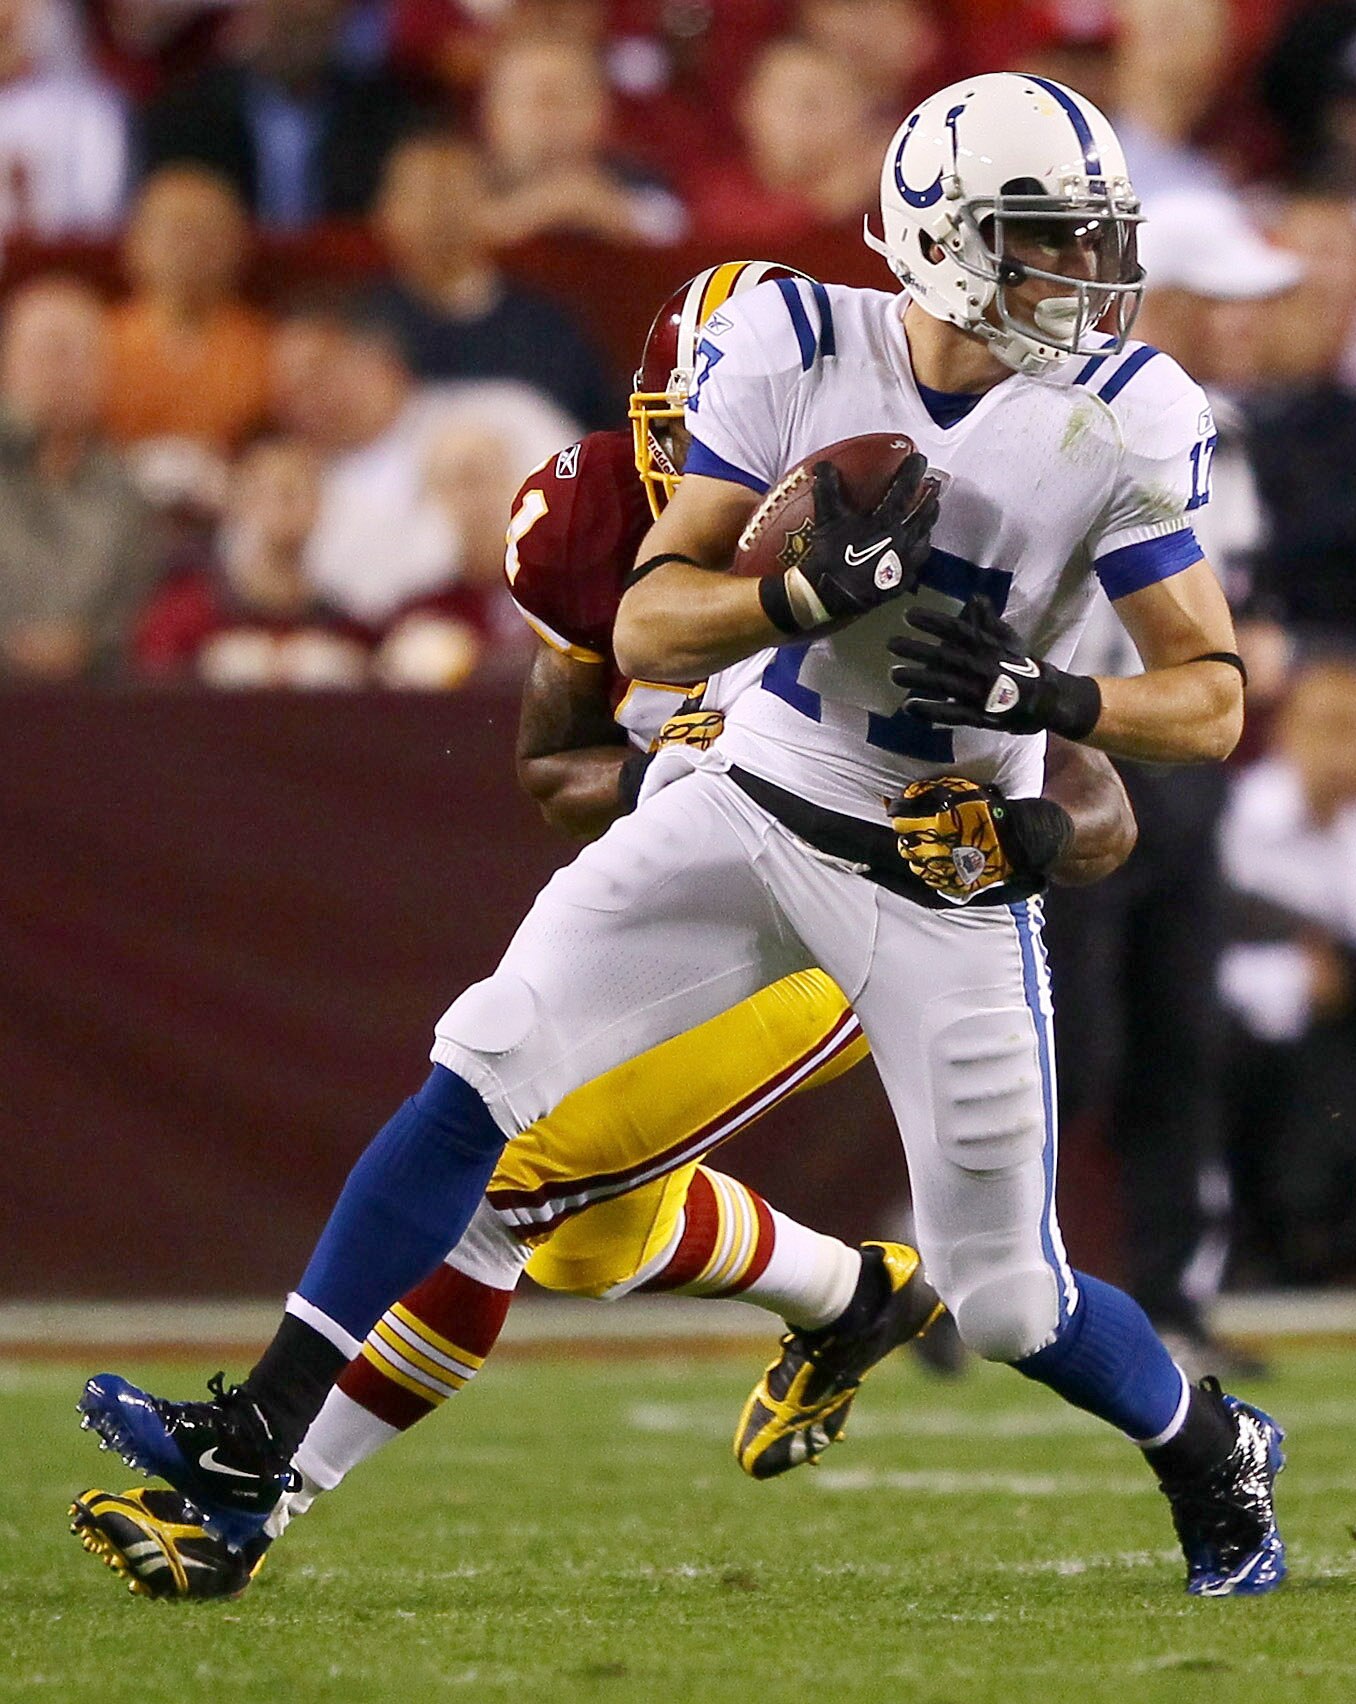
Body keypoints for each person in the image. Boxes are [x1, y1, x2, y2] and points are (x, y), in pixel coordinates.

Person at [78, 73, 1285, 1600]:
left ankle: (1209, 1452)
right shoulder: (794, 339)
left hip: (924, 876)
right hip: (747, 800)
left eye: (1089, 236)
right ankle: (253, 1444)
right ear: (944, 238)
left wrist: (1051, 699)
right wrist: (796, 599)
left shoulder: (1125, 409)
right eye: (1045, 238)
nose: (1084, 272)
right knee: (486, 1059)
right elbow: (652, 612)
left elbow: (1213, 702)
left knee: (1006, 1300)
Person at [366, 131, 622, 432]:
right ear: (384, 214)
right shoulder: (364, 332)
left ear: (490, 207)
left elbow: (602, 436)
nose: (438, 215)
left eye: (453, 195)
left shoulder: (546, 330)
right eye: (419, 197)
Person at [136, 0, 432, 226]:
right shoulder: (185, 114)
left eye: (311, 17)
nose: (297, 30)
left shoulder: (386, 114)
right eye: (284, 14)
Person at [0, 277, 152, 681]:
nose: (65, 372)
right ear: (7, 363)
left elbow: (140, 604)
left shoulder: (128, 494)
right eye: (50, 352)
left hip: (90, 705)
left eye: (82, 355)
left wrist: (87, 645)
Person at [104, 166, 272, 454]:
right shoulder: (101, 344)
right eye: (176, 232)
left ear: (239, 247)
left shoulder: (265, 349)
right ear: (134, 245)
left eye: (206, 234)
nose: (190, 249)